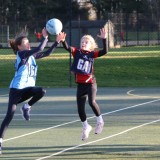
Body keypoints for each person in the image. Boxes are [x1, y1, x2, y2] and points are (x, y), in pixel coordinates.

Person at [0, 28, 65, 154]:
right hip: (16, 89)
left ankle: (26, 107)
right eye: (26, 43)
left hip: (28, 88)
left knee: (41, 91)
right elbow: (40, 48)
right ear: (19, 47)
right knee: (10, 115)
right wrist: (45, 37)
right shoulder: (21, 54)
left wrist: (57, 42)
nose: (29, 44)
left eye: (29, 42)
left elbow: (46, 53)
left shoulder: (31, 55)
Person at [61, 27, 108, 140]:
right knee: (80, 108)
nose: (83, 43)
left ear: (91, 45)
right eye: (82, 41)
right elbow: (67, 47)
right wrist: (63, 41)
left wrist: (104, 40)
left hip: (91, 83)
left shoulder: (92, 54)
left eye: (86, 42)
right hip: (81, 84)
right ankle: (86, 126)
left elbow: (105, 51)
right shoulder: (77, 52)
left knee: (91, 102)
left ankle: (100, 121)